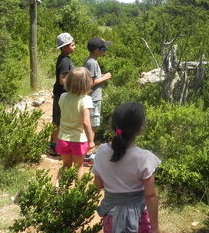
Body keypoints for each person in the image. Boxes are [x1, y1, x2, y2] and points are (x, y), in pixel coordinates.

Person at [93, 102, 161, 233]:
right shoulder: (145, 158)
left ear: (114, 126)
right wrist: (156, 228)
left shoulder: (101, 151)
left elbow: (98, 184)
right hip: (138, 218)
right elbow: (150, 195)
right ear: (140, 129)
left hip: (110, 217)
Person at [55, 67, 96, 181]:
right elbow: (85, 122)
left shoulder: (63, 96)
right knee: (79, 166)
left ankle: (57, 189)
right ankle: (79, 193)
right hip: (78, 140)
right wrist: (91, 140)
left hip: (63, 137)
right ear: (87, 83)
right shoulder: (85, 100)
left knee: (66, 165)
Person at [84, 37, 112, 165]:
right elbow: (91, 82)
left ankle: (87, 152)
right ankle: (88, 153)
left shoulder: (91, 61)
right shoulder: (92, 63)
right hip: (93, 98)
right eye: (102, 48)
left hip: (93, 98)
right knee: (93, 126)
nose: (104, 50)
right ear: (96, 50)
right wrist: (105, 77)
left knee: (92, 124)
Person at [50, 32, 76, 156]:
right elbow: (63, 80)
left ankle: (54, 145)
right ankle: (54, 146)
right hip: (62, 94)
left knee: (58, 119)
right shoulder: (65, 61)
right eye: (72, 44)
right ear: (65, 47)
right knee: (58, 120)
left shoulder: (65, 59)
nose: (75, 46)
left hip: (61, 94)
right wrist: (74, 89)